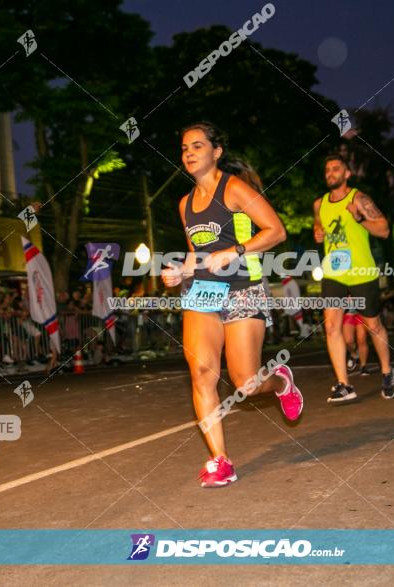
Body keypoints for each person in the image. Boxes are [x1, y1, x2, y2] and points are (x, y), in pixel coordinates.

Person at [161, 122, 303, 488]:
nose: (189, 153)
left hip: (242, 287)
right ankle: (220, 460)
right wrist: (179, 272)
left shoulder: (234, 189)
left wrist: (234, 251)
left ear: (216, 151)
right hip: (202, 292)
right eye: (184, 148)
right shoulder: (184, 203)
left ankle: (280, 383)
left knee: (246, 383)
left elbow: (276, 231)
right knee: (202, 374)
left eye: (197, 145)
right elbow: (196, 253)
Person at [314, 154, 394, 404]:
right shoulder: (319, 204)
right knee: (331, 326)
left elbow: (384, 230)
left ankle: (386, 371)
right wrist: (317, 234)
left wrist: (360, 218)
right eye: (327, 169)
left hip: (361, 271)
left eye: (336, 168)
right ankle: (344, 384)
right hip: (334, 273)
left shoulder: (359, 198)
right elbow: (319, 226)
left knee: (373, 325)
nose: (331, 173)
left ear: (347, 173)